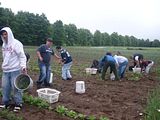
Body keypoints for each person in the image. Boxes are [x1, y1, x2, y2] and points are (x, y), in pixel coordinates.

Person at [0, 27, 27, 111]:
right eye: (2, 34)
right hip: (6, 70)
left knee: (16, 87)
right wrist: (3, 65)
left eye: (5, 34)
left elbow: (22, 56)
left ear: (9, 34)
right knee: (5, 87)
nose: (4, 36)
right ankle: (6, 102)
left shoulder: (16, 43)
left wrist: (23, 66)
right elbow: (4, 57)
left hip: (15, 69)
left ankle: (18, 103)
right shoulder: (4, 45)